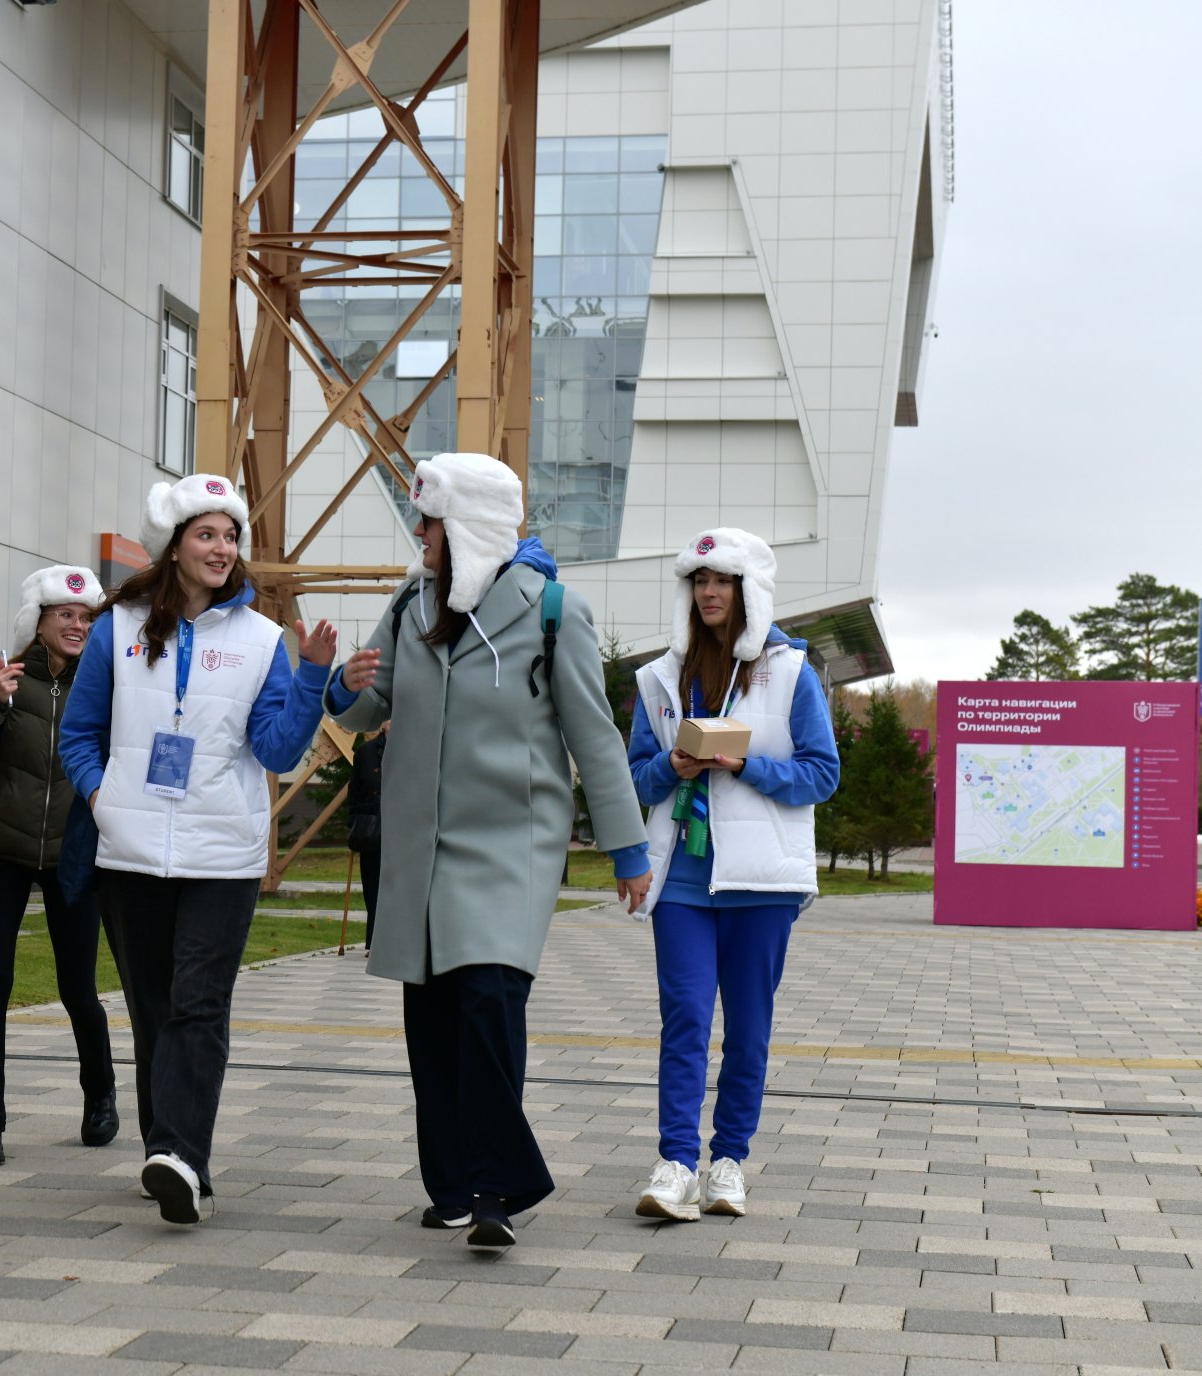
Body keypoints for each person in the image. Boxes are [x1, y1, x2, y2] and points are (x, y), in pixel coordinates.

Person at [327, 452, 652, 1253]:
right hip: (420, 849)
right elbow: (370, 706)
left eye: (430, 521)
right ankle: (450, 1188)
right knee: (433, 1021)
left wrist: (627, 848)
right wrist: (342, 684)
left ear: (466, 524)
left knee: (487, 1003)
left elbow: (594, 736)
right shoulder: (411, 602)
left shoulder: (553, 611)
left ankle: (497, 1189)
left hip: (512, 846)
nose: (419, 534)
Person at [59, 472, 336, 1225]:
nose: (221, 548)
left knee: (200, 1006)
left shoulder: (261, 640)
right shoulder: (117, 628)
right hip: (131, 852)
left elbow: (277, 749)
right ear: (174, 546)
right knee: (154, 1012)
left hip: (223, 854)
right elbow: (78, 734)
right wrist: (102, 798)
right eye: (206, 534)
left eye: (230, 536)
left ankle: (179, 1154)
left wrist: (312, 675)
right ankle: (174, 1157)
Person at [625, 528, 840, 1221]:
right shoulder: (659, 677)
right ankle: (675, 1164)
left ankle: (729, 1163)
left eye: (722, 580)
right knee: (685, 1018)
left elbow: (822, 773)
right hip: (681, 882)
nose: (709, 592)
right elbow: (635, 777)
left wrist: (744, 766)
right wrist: (673, 765)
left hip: (761, 883)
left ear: (749, 590)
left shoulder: (791, 673)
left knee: (747, 1029)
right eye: (700, 581)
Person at [0, 565, 118, 1168]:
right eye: (65, 614)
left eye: (86, 617)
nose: (77, 625)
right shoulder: (4, 681)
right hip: (2, 853)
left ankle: (101, 1096)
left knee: (78, 989)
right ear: (38, 622)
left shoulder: (106, 687)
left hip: (74, 853)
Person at [345, 725, 386, 948]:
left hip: (406, 832)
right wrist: (356, 824)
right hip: (373, 831)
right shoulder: (366, 752)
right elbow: (355, 793)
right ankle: (374, 943)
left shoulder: (415, 747)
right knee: (373, 889)